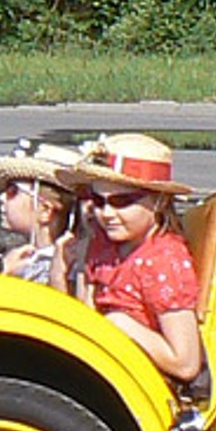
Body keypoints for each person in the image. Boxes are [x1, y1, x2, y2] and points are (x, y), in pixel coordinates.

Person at [57, 133, 203, 385]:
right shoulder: (103, 246)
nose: (107, 213)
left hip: (144, 381)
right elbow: (85, 310)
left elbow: (186, 362)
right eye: (98, 201)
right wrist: (71, 262)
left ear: (158, 201)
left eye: (121, 202)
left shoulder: (163, 261)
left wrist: (120, 324)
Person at [0, 140, 81, 287]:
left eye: (13, 191)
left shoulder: (59, 267)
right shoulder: (14, 255)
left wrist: (5, 273)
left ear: (45, 210)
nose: (2, 198)